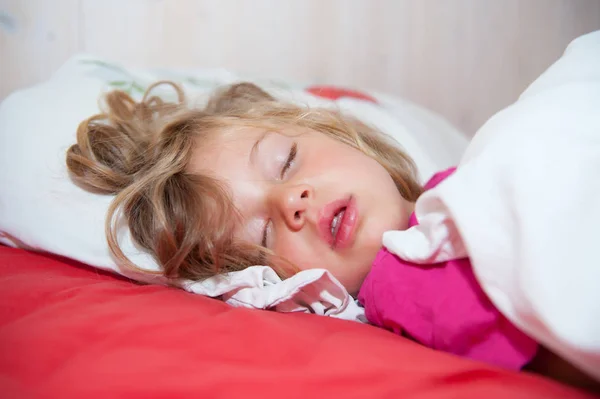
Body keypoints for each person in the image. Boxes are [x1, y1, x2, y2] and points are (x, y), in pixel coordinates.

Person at [66, 81, 597, 392]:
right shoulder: (406, 281)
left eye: (287, 161)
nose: (290, 200)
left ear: (339, 133)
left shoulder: (469, 175)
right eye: (267, 231)